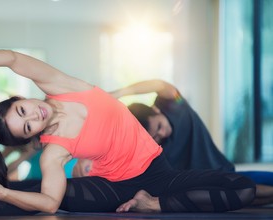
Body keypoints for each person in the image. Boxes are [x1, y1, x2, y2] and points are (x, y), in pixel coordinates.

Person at [0, 50, 256, 216]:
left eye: (23, 109)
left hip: (160, 173)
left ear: (23, 97)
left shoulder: (62, 86)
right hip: (114, 187)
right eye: (27, 126)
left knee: (245, 189)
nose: (33, 116)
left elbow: (9, 58)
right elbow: (49, 203)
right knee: (53, 194)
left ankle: (155, 205)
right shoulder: (55, 149)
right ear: (33, 136)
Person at [74, 79, 273, 205]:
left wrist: (117, 95)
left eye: (159, 126)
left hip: (224, 170)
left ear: (157, 110)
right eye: (155, 136)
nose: (162, 134)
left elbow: (160, 85)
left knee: (260, 184)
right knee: (249, 196)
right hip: (202, 184)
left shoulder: (175, 106)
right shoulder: (150, 148)